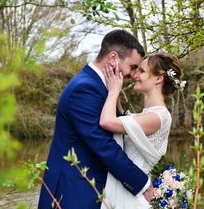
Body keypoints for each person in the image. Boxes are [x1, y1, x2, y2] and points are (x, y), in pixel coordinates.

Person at [38, 29, 154, 209]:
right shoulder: (84, 89)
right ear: (113, 58)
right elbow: (102, 145)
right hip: (73, 192)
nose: (133, 74)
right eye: (132, 67)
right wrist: (142, 183)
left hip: (93, 188)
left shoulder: (102, 86)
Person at [99, 52, 183, 208]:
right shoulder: (146, 115)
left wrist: (113, 91)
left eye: (142, 71)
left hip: (135, 195)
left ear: (158, 78)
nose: (135, 75)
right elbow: (124, 119)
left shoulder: (157, 117)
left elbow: (106, 121)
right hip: (128, 187)